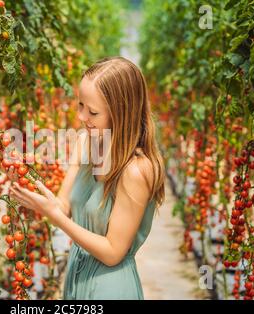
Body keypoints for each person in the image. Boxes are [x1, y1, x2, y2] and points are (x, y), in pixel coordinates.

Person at [8, 56, 165, 299]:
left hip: (109, 288)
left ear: (121, 114)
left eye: (92, 111)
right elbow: (63, 206)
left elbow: (113, 252)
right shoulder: (86, 143)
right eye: (80, 105)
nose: (82, 117)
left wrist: (56, 217)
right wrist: (25, 178)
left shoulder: (136, 170)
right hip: (77, 276)